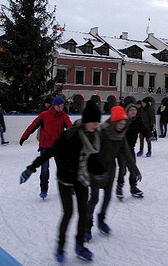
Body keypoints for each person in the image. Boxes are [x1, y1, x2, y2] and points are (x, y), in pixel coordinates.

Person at [19, 100, 102, 263]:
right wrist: (31, 167)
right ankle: (60, 246)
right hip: (65, 178)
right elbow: (50, 152)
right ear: (85, 121)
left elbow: (93, 160)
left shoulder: (94, 137)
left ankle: (80, 245)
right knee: (68, 213)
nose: (95, 125)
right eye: (92, 121)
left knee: (84, 213)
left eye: (97, 122)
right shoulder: (70, 136)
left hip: (81, 179)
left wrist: (101, 171)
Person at [85, 106, 141, 241]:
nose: (122, 126)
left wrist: (135, 170)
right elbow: (92, 152)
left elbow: (126, 153)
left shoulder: (121, 136)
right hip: (96, 168)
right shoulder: (101, 132)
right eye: (120, 123)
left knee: (108, 196)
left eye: (124, 123)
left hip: (110, 169)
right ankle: (87, 226)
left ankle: (101, 219)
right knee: (94, 198)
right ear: (114, 122)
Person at [19, 96, 72, 199]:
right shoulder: (44, 115)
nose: (60, 108)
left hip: (58, 147)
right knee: (44, 169)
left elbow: (70, 129)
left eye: (62, 106)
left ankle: (68, 187)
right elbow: (33, 126)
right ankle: (43, 189)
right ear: (53, 105)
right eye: (58, 106)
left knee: (62, 168)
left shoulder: (64, 116)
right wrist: (24, 137)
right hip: (45, 146)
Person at [116, 103, 146, 199]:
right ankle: (119, 187)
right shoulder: (122, 121)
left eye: (135, 110)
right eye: (131, 110)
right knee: (123, 169)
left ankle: (133, 187)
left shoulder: (138, 121)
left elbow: (143, 129)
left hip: (130, 148)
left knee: (133, 169)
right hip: (120, 149)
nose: (133, 112)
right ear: (127, 112)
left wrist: (149, 135)